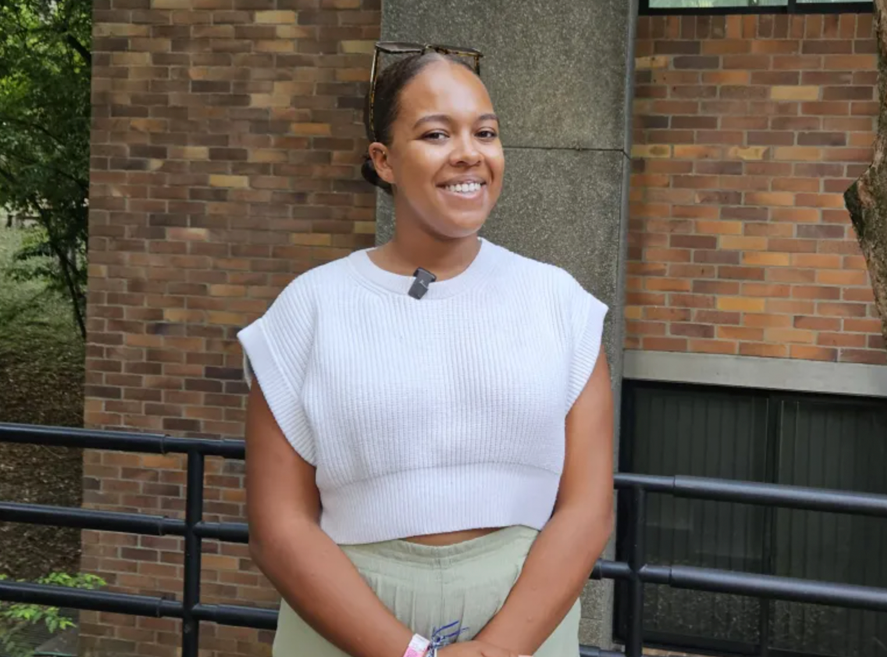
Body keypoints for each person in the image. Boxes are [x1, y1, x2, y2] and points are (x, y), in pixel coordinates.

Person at [238, 43, 614, 657]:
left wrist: (499, 650)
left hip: (526, 623)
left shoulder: (560, 304)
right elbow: (279, 525)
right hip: (347, 624)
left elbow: (588, 509)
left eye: (485, 132)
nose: (469, 152)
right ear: (383, 161)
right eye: (437, 133)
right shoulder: (307, 310)